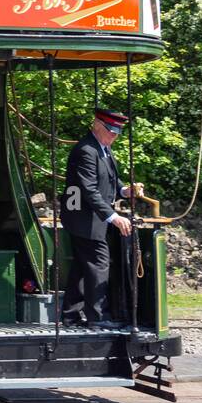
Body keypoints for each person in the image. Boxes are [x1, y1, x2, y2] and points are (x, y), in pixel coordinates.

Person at [59, 108, 142, 328]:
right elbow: (90, 191)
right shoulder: (86, 150)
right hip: (83, 219)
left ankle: (70, 315)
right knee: (98, 263)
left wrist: (125, 191)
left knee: (81, 266)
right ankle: (98, 318)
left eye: (117, 133)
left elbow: (111, 183)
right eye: (111, 131)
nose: (114, 136)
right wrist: (113, 217)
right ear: (97, 125)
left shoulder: (103, 149)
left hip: (90, 219)